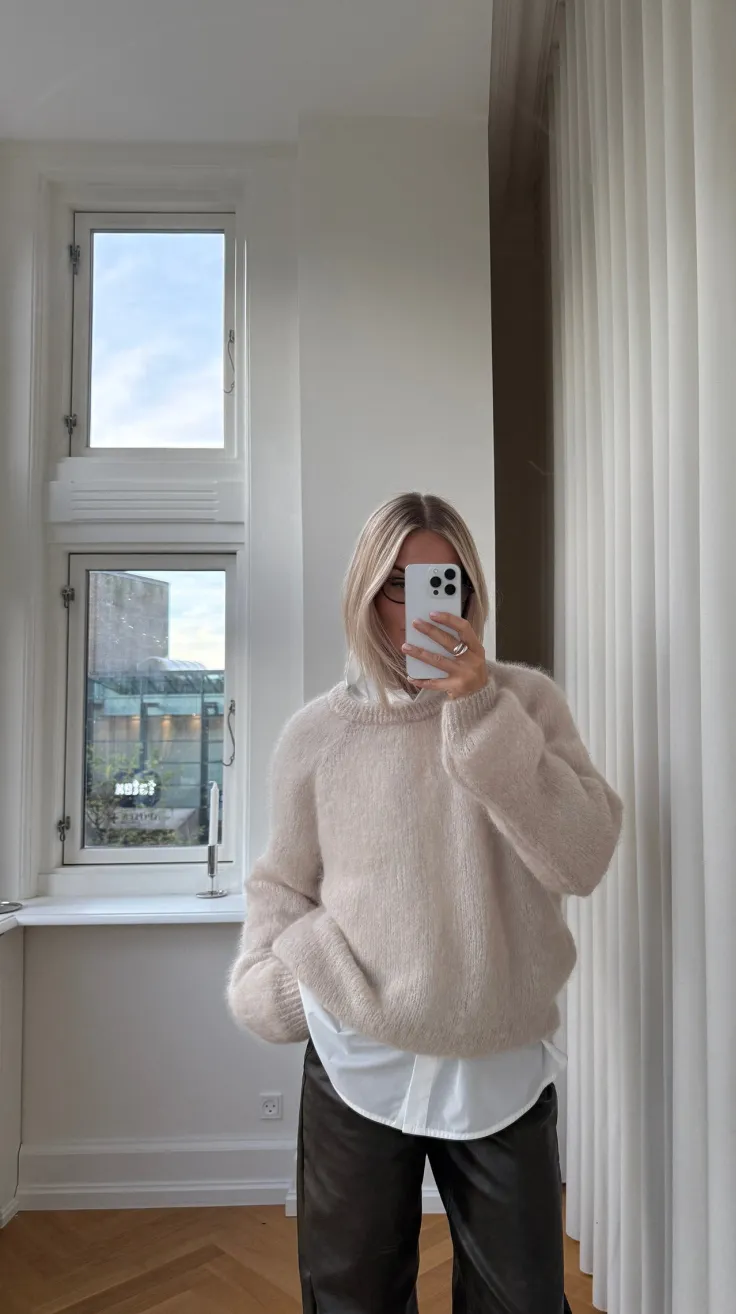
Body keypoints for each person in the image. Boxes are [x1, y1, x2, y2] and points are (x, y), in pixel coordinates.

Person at [227, 492, 622, 1314]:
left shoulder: (526, 705)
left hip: (499, 1059)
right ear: (365, 593)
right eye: (398, 584)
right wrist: (280, 984)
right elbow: (283, 882)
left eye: (444, 582)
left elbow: (581, 858)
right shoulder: (316, 735)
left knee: (521, 1300)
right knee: (352, 1296)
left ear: (471, 591)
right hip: (356, 1051)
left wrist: (477, 710)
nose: (421, 604)